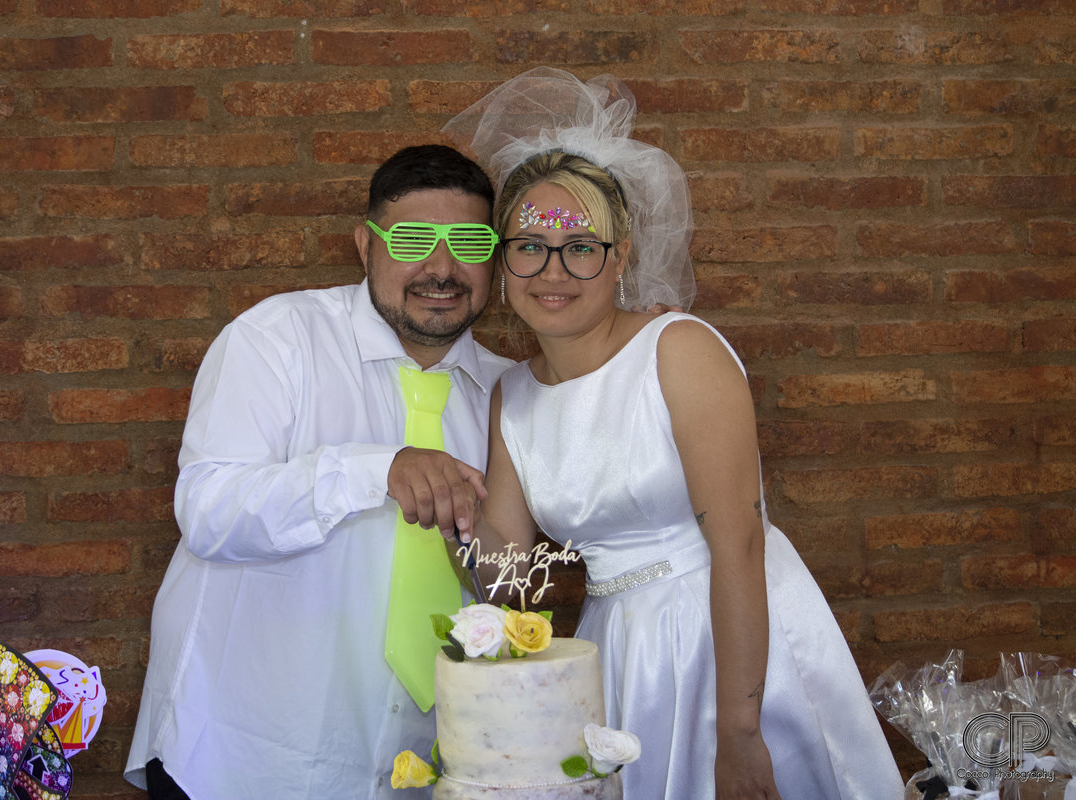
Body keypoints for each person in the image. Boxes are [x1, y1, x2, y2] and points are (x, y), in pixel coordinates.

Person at [443, 68, 905, 800]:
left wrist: (739, 732)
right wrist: (454, 509)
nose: (552, 270)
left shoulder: (678, 350)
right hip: (621, 650)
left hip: (727, 639)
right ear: (504, 259)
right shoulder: (514, 398)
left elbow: (739, 544)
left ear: (621, 256)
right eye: (530, 245)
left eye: (581, 247)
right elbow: (508, 577)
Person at [123, 144, 514, 799]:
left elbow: (508, 579)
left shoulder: (506, 395)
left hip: (412, 771)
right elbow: (209, 512)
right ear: (365, 244)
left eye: (469, 242)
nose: (442, 267)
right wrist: (377, 468)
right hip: (241, 759)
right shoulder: (278, 339)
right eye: (413, 239)